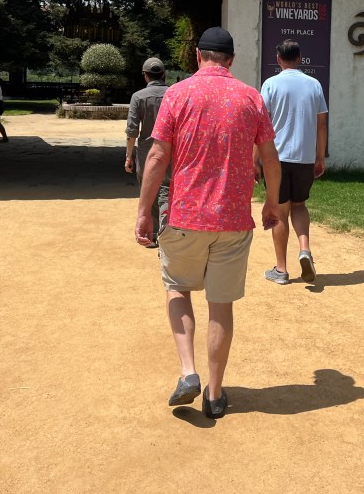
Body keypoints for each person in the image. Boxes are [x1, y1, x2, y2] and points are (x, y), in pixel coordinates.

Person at [135, 27, 281, 419]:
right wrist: (271, 204)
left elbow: (157, 156)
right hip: (233, 221)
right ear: (231, 59)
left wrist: (143, 211)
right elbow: (270, 158)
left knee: (177, 287)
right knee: (221, 305)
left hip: (184, 216)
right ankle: (215, 395)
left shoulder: (177, 95)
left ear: (198, 55)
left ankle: (188, 372)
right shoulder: (251, 97)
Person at [257, 39, 328, 285]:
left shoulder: (270, 84)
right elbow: (321, 124)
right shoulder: (314, 85)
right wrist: (319, 157)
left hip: (276, 158)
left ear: (278, 59)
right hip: (304, 158)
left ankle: (281, 269)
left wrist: (254, 160)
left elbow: (261, 124)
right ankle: (305, 249)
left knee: (279, 210)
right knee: (299, 205)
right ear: (299, 58)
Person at [126, 57, 170, 248]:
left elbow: (132, 130)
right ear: (164, 74)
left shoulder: (138, 97)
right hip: (171, 149)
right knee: (167, 191)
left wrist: (129, 156)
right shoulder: (173, 94)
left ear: (145, 76)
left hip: (146, 151)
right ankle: (166, 233)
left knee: (148, 189)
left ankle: (151, 234)